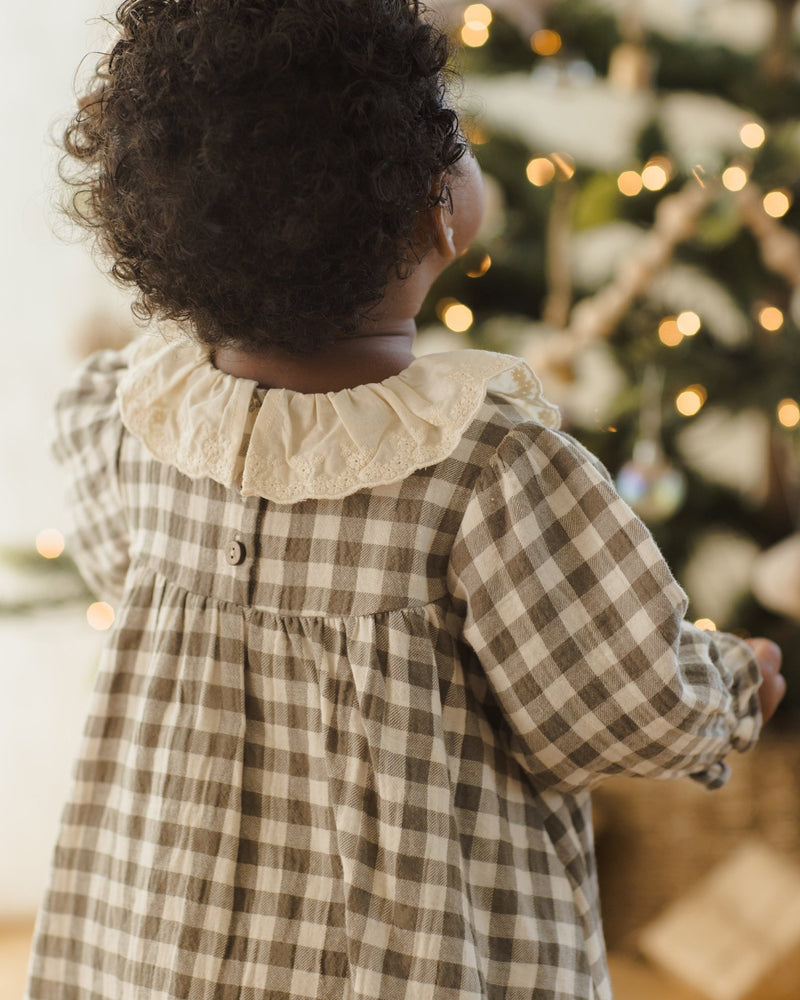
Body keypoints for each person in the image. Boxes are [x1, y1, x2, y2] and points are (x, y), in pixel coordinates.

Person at [28, 1, 785, 998]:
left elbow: (113, 552)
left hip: (164, 941)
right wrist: (732, 686)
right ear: (436, 206)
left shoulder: (145, 416)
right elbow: (605, 703)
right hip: (404, 954)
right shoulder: (491, 471)